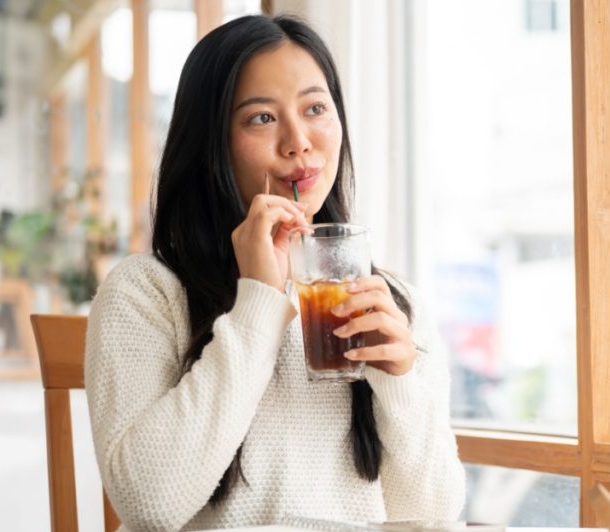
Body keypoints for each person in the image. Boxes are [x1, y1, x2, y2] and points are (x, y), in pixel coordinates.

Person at [84, 15, 466, 531]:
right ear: (211, 143)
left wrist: (400, 382)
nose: (298, 141)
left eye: (315, 109)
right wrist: (259, 300)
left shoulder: (391, 306)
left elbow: (434, 517)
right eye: (261, 118)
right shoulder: (146, 293)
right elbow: (149, 505)